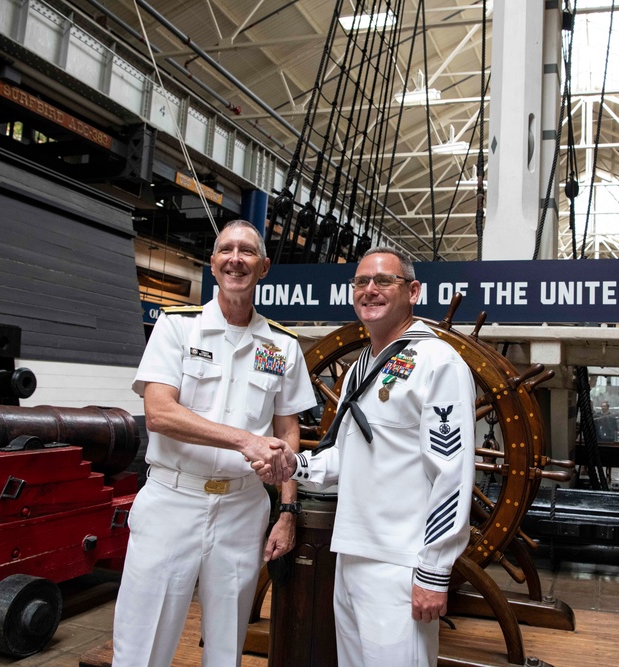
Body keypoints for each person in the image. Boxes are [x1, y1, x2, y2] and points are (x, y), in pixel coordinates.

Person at [112, 220, 317, 667]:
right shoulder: (177, 327)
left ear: (263, 267)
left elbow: (287, 433)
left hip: (243, 511)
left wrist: (286, 511)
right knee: (142, 642)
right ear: (213, 263)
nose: (236, 259)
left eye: (247, 252)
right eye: (226, 250)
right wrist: (245, 440)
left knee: (227, 646)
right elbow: (159, 413)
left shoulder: (282, 344)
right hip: (172, 500)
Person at [289, 247, 476, 667]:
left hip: (401, 564)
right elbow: (349, 458)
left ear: (413, 291)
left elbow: (453, 474)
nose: (369, 290)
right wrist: (294, 465)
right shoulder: (362, 367)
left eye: (383, 281)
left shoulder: (438, 362)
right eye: (361, 282)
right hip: (351, 552)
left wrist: (434, 570)